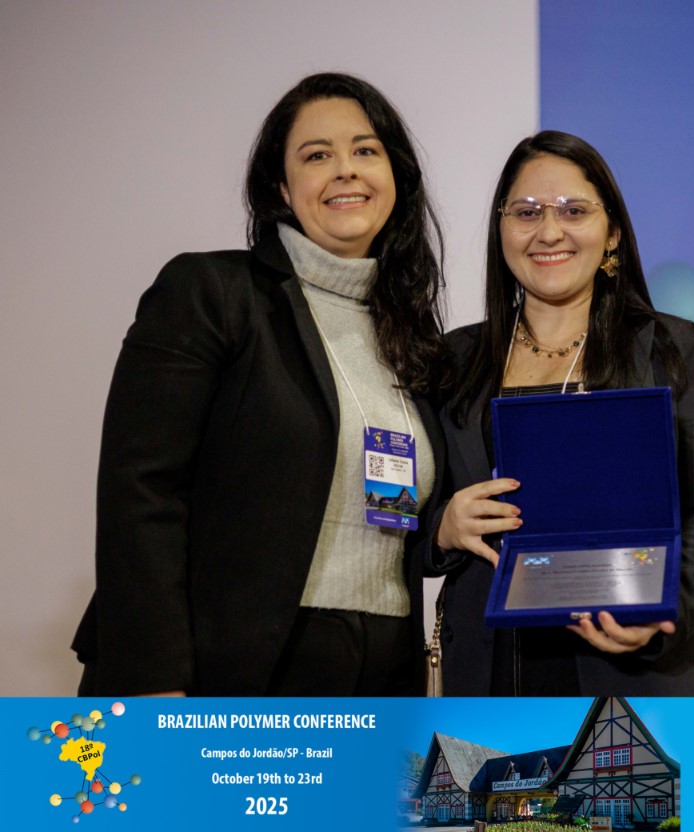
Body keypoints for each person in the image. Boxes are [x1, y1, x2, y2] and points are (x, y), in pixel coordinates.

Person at [71, 72, 448, 696]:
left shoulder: (412, 335)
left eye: (365, 150)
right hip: (227, 668)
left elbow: (402, 516)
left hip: (380, 674)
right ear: (282, 187)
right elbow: (141, 493)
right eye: (317, 155)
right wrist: (154, 682)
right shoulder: (212, 293)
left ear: (396, 177)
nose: (345, 170)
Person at [433, 130, 694, 696]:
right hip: (491, 675)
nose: (549, 230)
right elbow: (396, 517)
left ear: (612, 234)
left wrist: (661, 612)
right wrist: (442, 528)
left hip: (635, 673)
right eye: (526, 212)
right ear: (501, 230)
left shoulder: (671, 350)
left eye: (573, 210)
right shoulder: (452, 361)